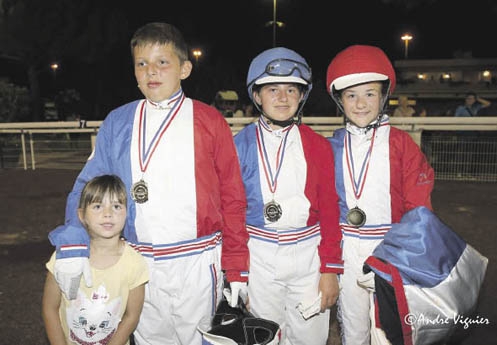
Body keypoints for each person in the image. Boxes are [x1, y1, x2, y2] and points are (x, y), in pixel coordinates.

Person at [47, 22, 249, 345]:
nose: (151, 72)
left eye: (162, 62)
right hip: (137, 264)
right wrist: (73, 241)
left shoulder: (210, 121)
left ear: (184, 68)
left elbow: (234, 198)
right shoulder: (118, 121)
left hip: (197, 264)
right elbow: (88, 187)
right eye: (142, 64)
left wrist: (237, 266)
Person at [325, 44, 435, 345]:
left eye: (369, 94)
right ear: (340, 100)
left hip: (390, 248)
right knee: (352, 326)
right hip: (346, 251)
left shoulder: (402, 146)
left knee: (387, 331)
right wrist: (328, 264)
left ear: (384, 96)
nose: (360, 104)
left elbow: (419, 211)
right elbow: (323, 208)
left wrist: (398, 259)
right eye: (351, 95)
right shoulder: (330, 146)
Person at [233, 47, 343, 345]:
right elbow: (229, 212)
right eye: (272, 89)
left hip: (308, 254)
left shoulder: (319, 146)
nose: (282, 98)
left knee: (311, 338)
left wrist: (330, 269)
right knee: (262, 338)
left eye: (291, 89)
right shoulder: (237, 146)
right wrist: (235, 271)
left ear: (301, 95)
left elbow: (331, 211)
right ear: (257, 96)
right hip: (259, 255)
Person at [42, 175, 149, 345]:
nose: (108, 214)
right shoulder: (64, 257)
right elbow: (50, 309)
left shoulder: (135, 263)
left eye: (116, 206)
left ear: (127, 213)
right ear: (81, 215)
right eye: (98, 206)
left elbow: (132, 316)